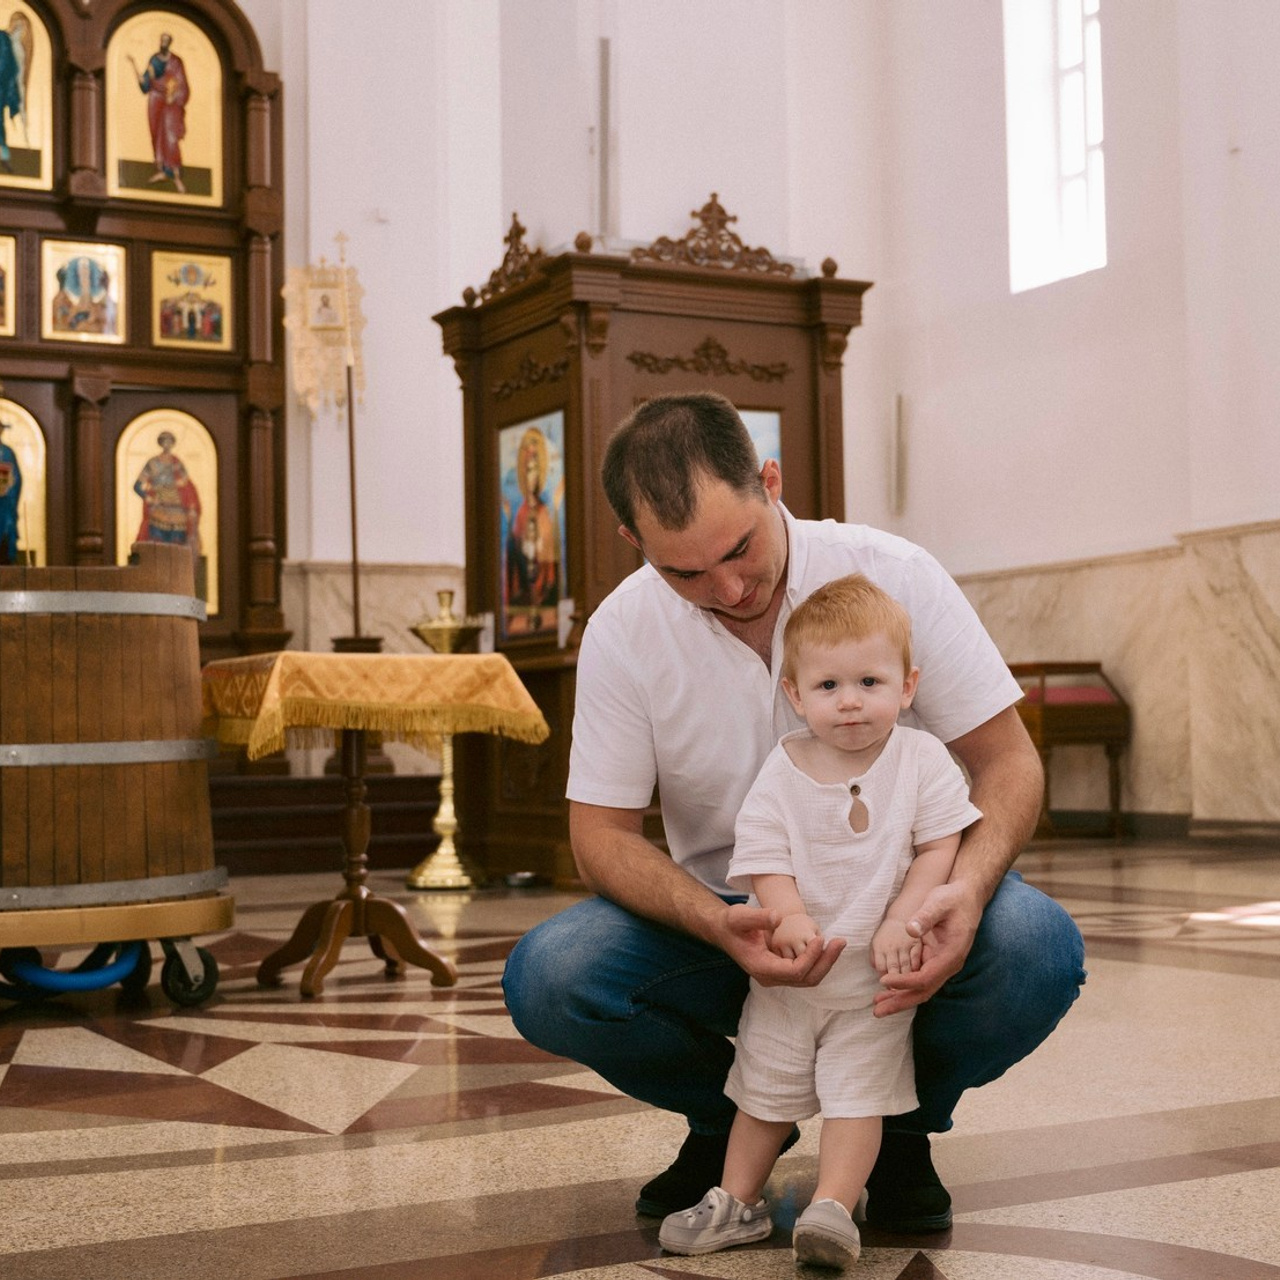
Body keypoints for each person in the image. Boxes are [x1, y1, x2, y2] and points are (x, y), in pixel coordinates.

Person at [502, 391, 1086, 1234]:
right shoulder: (625, 630)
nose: (728, 588)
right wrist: (716, 922)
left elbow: (1009, 761)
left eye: (739, 549)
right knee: (552, 977)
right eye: (685, 573)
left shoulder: (894, 574)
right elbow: (599, 837)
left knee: (1036, 948)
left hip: (899, 912)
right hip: (732, 918)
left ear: (770, 482)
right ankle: (731, 1123)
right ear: (633, 541)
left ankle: (897, 1128)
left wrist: (959, 891)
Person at [658, 574, 980, 1268]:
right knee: (761, 1093)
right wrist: (788, 915)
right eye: (829, 686)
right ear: (796, 695)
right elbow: (764, 855)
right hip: (791, 978)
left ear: (908, 686)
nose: (851, 701)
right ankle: (737, 1200)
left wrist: (903, 919)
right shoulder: (783, 768)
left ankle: (832, 1208)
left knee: (858, 1098)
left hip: (876, 985)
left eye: (870, 681)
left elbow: (939, 847)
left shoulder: (921, 759)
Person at [128, 33, 189, 194]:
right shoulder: (154, 60)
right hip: (155, 100)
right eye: (161, 41)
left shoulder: (176, 62)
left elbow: (182, 84)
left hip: (170, 103)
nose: (163, 43)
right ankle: (162, 170)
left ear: (169, 43)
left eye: (166, 41)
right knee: (156, 134)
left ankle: (175, 175)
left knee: (170, 137)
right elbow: (147, 81)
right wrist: (143, 80)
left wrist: (175, 96)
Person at [133, 430, 201, 558]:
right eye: (165, 441)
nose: (167, 444)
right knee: (157, 547)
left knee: (178, 547)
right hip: (158, 508)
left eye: (169, 442)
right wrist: (148, 498)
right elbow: (137, 486)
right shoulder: (152, 463)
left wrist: (191, 506)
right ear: (161, 443)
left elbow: (187, 485)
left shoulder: (177, 463)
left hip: (177, 510)